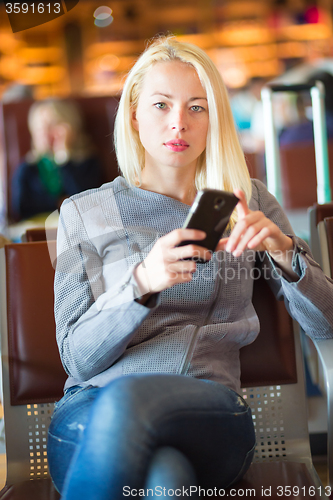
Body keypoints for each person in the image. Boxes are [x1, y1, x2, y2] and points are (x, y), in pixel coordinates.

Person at [47, 36, 333, 499]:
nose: (178, 122)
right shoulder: (85, 212)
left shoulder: (244, 198)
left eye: (197, 107)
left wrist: (284, 253)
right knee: (165, 481)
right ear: (135, 114)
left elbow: (328, 321)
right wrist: (142, 283)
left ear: (213, 117)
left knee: (140, 423)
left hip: (209, 409)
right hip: (92, 413)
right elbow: (77, 359)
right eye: (161, 105)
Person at [11, 99, 103, 221]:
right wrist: (58, 202)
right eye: (39, 127)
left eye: (52, 125)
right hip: (38, 230)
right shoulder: (27, 167)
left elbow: (87, 203)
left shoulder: (87, 162)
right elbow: (21, 208)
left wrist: (63, 156)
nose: (44, 132)